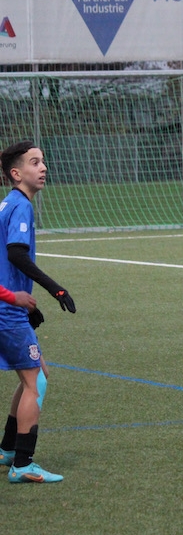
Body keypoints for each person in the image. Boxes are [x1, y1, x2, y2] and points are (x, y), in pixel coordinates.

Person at [0, 141, 77, 483]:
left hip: (9, 306)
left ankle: (7, 450)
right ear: (16, 174)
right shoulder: (21, 207)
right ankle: (23, 464)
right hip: (6, 312)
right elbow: (17, 254)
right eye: (35, 162)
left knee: (33, 374)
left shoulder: (7, 205)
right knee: (35, 382)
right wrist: (54, 288)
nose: (43, 167)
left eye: (43, 161)